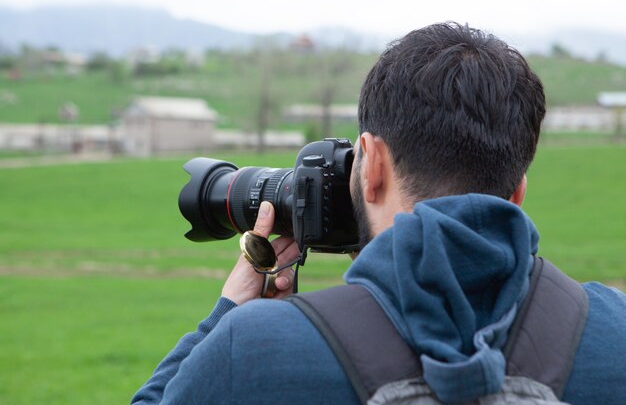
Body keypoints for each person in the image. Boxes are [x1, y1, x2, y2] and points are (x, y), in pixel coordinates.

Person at [131, 22, 626, 405]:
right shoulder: (615, 333)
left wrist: (229, 316)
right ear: (517, 192)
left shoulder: (254, 351)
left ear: (373, 166)